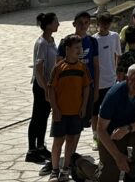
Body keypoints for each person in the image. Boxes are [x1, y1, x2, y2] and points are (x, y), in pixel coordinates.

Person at [96, 62, 135, 182]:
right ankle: (79, 165)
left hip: (129, 130)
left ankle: (132, 176)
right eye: (134, 80)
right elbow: (100, 129)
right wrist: (118, 156)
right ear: (127, 78)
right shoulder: (114, 94)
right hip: (110, 135)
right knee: (108, 178)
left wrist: (127, 129)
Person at [47, 34, 93, 181]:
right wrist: (55, 109)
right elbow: (51, 89)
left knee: (71, 140)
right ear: (67, 49)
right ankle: (55, 170)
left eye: (81, 47)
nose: (79, 50)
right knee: (58, 141)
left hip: (76, 111)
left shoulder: (82, 67)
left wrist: (84, 106)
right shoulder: (59, 67)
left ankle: (66, 168)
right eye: (76, 48)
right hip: (61, 112)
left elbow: (86, 87)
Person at [27, 12, 58, 167]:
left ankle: (41, 146)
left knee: (44, 117)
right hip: (41, 86)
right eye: (55, 22)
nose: (58, 24)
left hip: (49, 85)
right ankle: (31, 151)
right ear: (48, 25)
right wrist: (45, 89)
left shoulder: (51, 40)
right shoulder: (41, 43)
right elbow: (39, 70)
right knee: (37, 117)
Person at [60, 11, 99, 130]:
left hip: (87, 86)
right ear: (74, 24)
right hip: (70, 86)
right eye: (80, 23)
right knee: (68, 120)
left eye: (86, 23)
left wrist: (96, 89)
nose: (83, 26)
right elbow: (59, 65)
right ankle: (68, 148)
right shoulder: (66, 41)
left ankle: (73, 148)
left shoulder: (93, 42)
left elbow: (96, 66)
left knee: (82, 122)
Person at [92, 13, 121, 143]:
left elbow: (118, 55)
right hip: (97, 81)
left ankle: (108, 134)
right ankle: (95, 136)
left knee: (109, 110)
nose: (104, 26)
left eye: (107, 23)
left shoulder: (114, 36)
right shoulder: (93, 39)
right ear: (97, 24)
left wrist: (116, 72)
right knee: (94, 112)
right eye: (102, 23)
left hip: (110, 79)